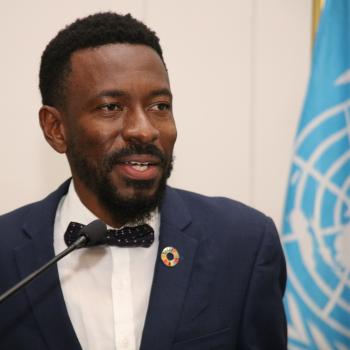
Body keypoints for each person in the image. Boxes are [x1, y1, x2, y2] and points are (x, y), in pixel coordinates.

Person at [0, 12, 287, 350]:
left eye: (160, 106)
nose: (145, 130)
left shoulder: (244, 245)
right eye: (111, 107)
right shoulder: (5, 254)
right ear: (55, 128)